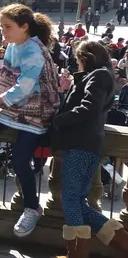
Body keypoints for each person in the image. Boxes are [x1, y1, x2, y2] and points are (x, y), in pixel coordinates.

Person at [0, 4, 60, 238]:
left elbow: (23, 89)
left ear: (24, 27)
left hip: (35, 111)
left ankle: (32, 207)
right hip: (10, 107)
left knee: (20, 161)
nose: (2, 32)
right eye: (1, 26)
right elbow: (8, 80)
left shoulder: (34, 51)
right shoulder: (14, 46)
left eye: (8, 27)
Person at [52, 41, 128, 256]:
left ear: (86, 58)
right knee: (78, 202)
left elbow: (88, 107)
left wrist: (59, 120)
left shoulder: (98, 75)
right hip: (87, 143)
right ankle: (123, 243)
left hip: (80, 144)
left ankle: (77, 254)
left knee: (70, 199)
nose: (77, 64)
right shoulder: (104, 75)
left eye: (78, 60)